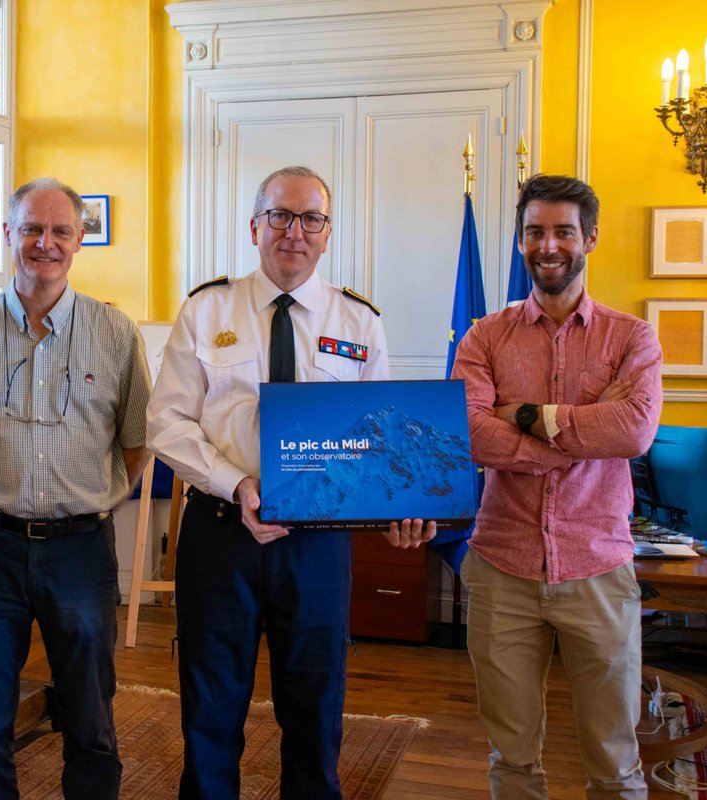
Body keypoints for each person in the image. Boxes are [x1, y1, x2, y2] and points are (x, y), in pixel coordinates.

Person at [147, 165, 437, 799]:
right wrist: (237, 484)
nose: (294, 232)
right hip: (221, 535)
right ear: (256, 226)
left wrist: (403, 504)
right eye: (280, 216)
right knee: (211, 704)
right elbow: (166, 423)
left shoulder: (359, 323)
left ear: (327, 234)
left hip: (318, 543)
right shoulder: (206, 309)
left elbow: (380, 438)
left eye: (311, 219)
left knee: (313, 707)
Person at [0, 177, 150, 800]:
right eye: (30, 229)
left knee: (90, 721)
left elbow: (135, 441)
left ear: (79, 241)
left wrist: (93, 497)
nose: (43, 243)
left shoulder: (115, 333)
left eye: (58, 231)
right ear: (8, 235)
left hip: (80, 550)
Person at [451, 174, 663, 799]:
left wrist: (529, 417)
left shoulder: (632, 338)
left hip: (598, 568)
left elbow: (633, 431)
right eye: (535, 232)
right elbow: (466, 432)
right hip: (501, 570)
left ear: (589, 238)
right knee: (511, 761)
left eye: (563, 231)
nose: (549, 245)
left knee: (615, 764)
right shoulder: (484, 337)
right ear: (520, 243)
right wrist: (578, 436)